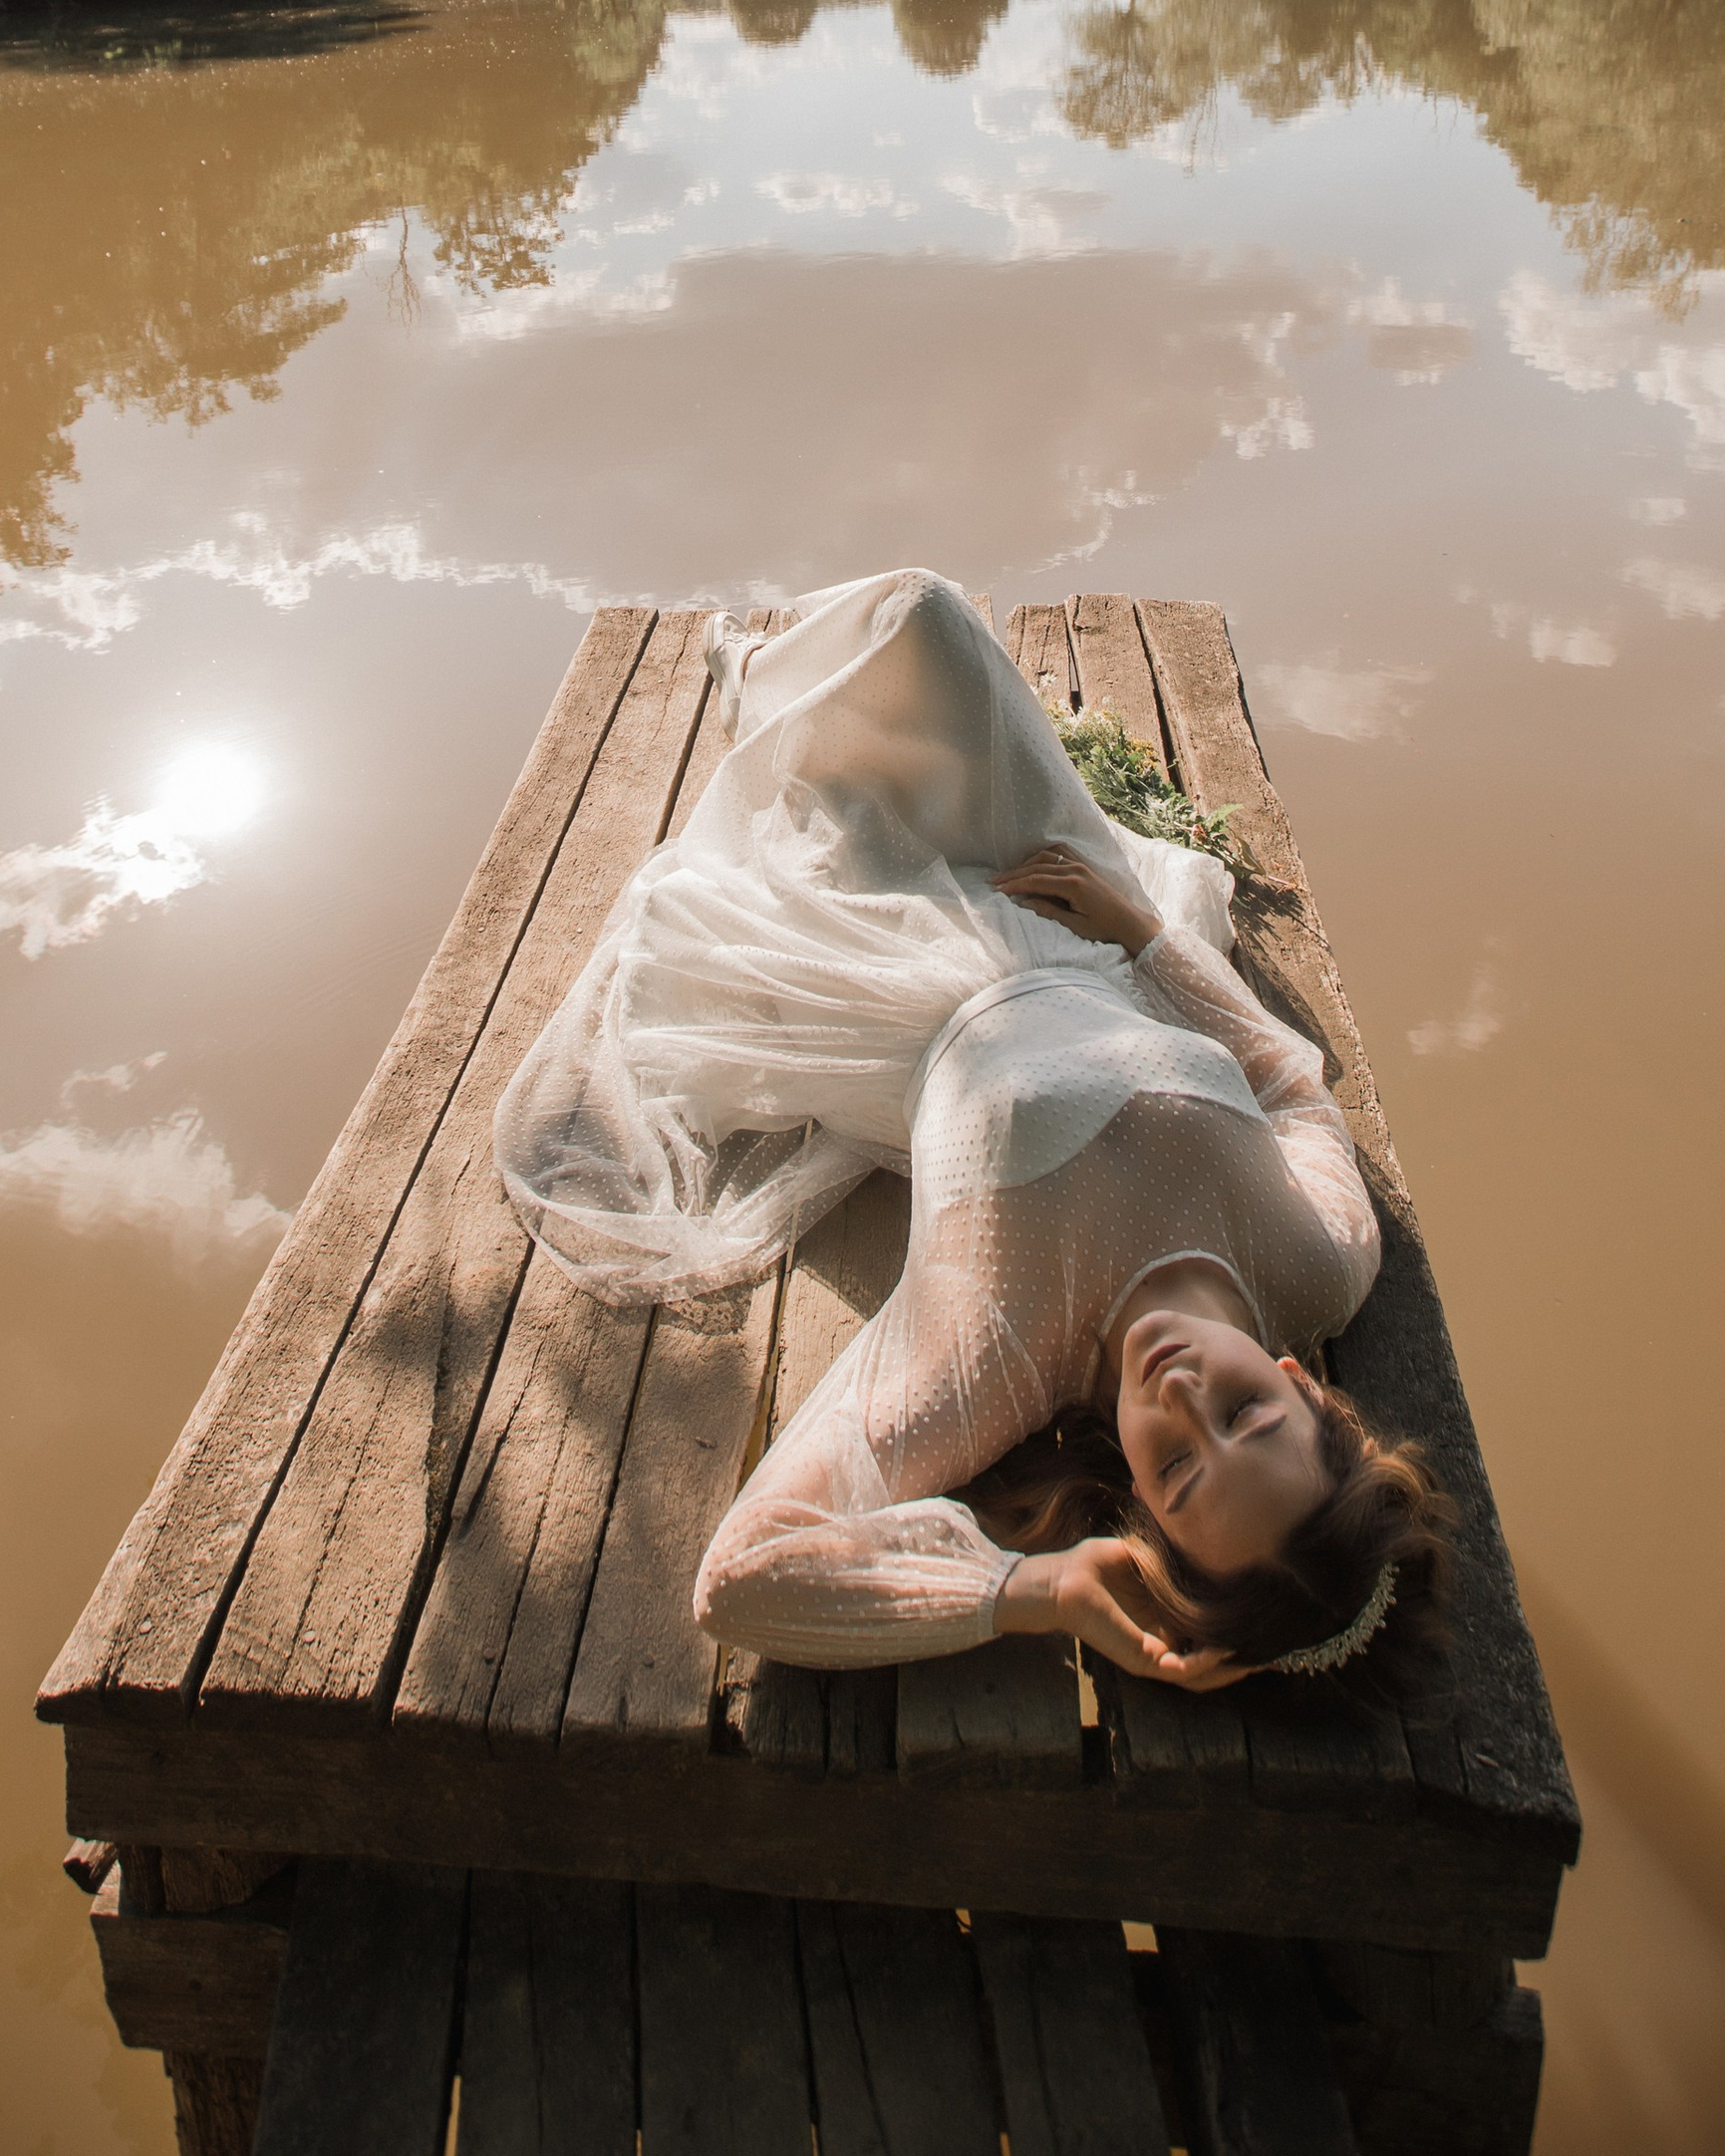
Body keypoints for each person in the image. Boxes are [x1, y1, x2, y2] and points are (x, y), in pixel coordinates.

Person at [494, 567, 1450, 1695]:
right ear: (1301, 1383)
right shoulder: (1314, 1265)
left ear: (1136, 1500)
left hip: (897, 973)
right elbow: (1292, 1088)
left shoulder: (998, 1353)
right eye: (1245, 1410)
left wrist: (1027, 1594)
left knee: (850, 752)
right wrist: (1144, 934)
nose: (1184, 1390)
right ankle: (770, 679)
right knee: (925, 617)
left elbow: (742, 1576)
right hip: (1080, 931)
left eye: (1180, 1469)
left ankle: (764, 703)